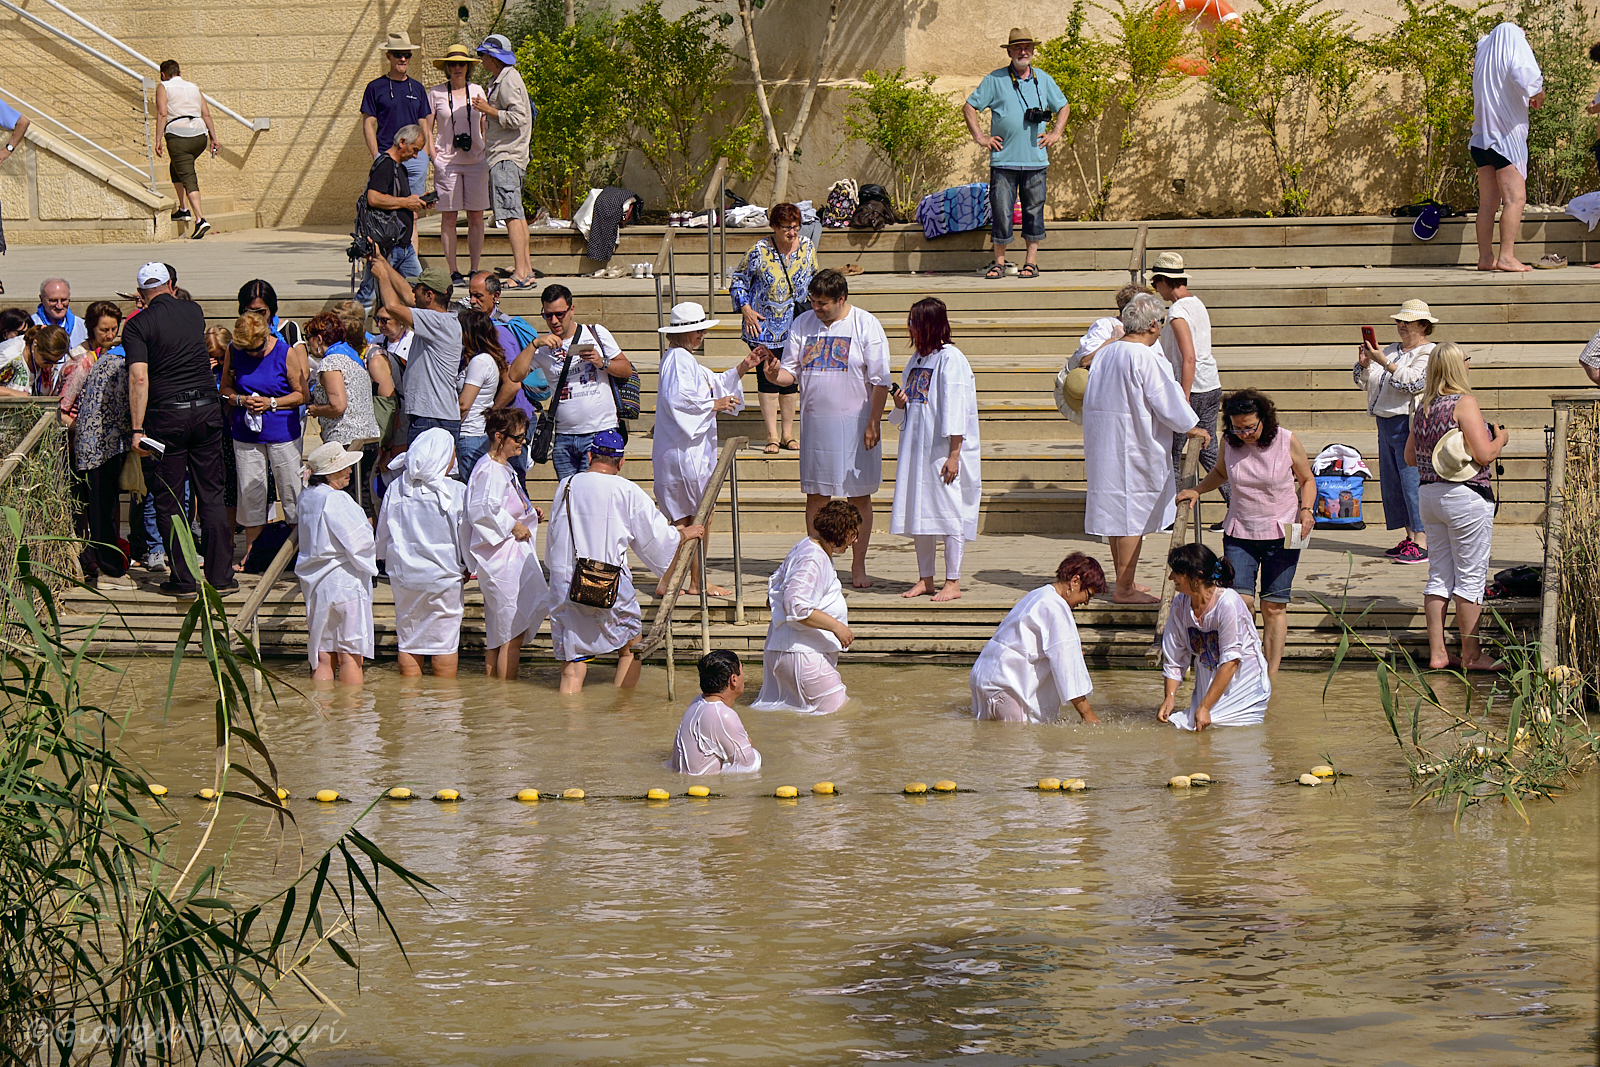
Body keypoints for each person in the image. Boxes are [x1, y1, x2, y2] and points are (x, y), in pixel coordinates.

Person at [545, 429, 703, 694]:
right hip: (605, 582)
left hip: (566, 581)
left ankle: (568, 726)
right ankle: (622, 711)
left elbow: (553, 536)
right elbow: (658, 538)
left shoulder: (567, 484)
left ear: (590, 455)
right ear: (621, 462)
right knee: (631, 647)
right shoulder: (627, 490)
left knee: (572, 663)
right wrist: (684, 533)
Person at [761, 269, 890, 588]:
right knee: (816, 497)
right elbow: (791, 374)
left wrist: (873, 421)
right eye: (813, 302)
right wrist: (775, 374)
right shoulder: (803, 323)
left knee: (859, 498)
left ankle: (858, 566)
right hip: (817, 427)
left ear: (841, 299)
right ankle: (822, 566)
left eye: (822, 304)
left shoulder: (866, 324)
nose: (816, 308)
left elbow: (880, 380)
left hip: (857, 426)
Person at [1176, 389, 1316, 679]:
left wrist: (1306, 509)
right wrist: (1198, 490)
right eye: (1238, 428)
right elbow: (1220, 472)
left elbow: (1306, 478)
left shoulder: (1286, 440)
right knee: (1241, 601)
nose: (1245, 434)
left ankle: (1271, 673)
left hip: (1283, 531)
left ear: (1264, 419)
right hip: (1241, 530)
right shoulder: (1230, 442)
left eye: (1250, 427)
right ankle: (1246, 662)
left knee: (1274, 605)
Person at [1081, 291, 1209, 603]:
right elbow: (1166, 399)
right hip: (1133, 445)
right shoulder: (1145, 357)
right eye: (1161, 323)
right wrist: (1191, 425)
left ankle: (1125, 581)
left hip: (1106, 442)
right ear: (1152, 324)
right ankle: (1124, 588)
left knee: (1118, 516)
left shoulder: (1107, 353)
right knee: (1129, 517)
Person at [124, 262, 233, 595]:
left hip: (165, 418)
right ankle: (221, 577)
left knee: (169, 500)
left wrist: (137, 429)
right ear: (171, 284)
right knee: (211, 495)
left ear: (141, 293)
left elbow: (139, 377)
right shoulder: (193, 311)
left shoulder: (137, 325)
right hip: (206, 411)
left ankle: (184, 579)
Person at [1405, 341, 1509, 672]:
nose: (1469, 365)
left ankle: (1438, 653)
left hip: (1429, 496)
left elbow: (1409, 457)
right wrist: (1501, 439)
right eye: (1467, 360)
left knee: (1439, 577)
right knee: (1470, 578)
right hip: (1464, 496)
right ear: (1456, 366)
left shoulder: (1422, 405)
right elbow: (1484, 455)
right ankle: (1472, 655)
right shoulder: (1464, 403)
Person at [651, 301, 761, 597]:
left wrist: (744, 366)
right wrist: (715, 404)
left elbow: (713, 382)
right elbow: (679, 400)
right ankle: (686, 580)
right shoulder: (677, 360)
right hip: (683, 454)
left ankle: (684, 579)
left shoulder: (682, 360)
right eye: (695, 329)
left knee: (692, 517)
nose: (700, 334)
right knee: (696, 516)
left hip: (684, 452)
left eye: (701, 328)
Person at [888, 297, 981, 601]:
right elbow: (908, 408)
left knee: (949, 512)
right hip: (917, 451)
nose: (910, 329)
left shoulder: (951, 359)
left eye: (914, 322)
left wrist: (954, 455)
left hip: (942, 451)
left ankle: (952, 581)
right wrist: (900, 403)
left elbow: (956, 410)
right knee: (921, 514)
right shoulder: (916, 359)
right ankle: (925, 578)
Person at [963, 28, 1069, 280]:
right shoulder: (995, 79)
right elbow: (969, 107)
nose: (1024, 51)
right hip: (1004, 160)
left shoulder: (1043, 79)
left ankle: (1030, 263)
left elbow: (1063, 106)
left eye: (1028, 47)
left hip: (1035, 161)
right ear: (1009, 51)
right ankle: (998, 263)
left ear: (1033, 50)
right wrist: (980, 137)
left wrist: (1055, 133)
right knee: (1001, 212)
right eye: (1018, 47)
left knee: (1034, 212)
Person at [969, 552, 1106, 723]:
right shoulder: (1057, 608)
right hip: (1007, 685)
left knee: (992, 741)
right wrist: (1088, 714)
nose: (1086, 602)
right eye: (1089, 594)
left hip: (985, 677)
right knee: (1019, 746)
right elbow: (1067, 665)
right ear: (1075, 582)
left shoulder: (1040, 594)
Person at [377, 428, 468, 678]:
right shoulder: (456, 490)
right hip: (444, 578)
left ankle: (410, 707)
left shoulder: (397, 487)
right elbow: (466, 538)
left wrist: (382, 560)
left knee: (408, 639)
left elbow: (383, 534)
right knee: (445, 641)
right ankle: (446, 707)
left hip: (405, 577)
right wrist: (470, 566)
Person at [466, 407, 549, 679]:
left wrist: (527, 513)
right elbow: (482, 509)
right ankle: (506, 694)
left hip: (507, 556)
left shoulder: (501, 468)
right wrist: (513, 525)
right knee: (512, 631)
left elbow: (500, 505)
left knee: (500, 633)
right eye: (518, 438)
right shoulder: (489, 469)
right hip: (502, 561)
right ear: (500, 437)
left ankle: (495, 692)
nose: (522, 443)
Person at [220, 310, 306, 565]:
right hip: (246, 432)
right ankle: (253, 554)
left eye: (256, 349)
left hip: (282, 431)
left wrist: (272, 403)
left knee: (291, 489)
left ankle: (297, 552)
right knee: (251, 491)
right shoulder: (235, 351)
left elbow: (301, 394)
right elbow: (224, 388)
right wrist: (239, 399)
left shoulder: (284, 352)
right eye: (247, 350)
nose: (252, 354)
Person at [729, 202, 816, 453]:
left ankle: (788, 434)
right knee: (767, 377)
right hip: (763, 325)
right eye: (787, 228)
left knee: (790, 379)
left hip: (796, 324)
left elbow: (814, 277)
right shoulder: (759, 250)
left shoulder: (808, 247)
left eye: (796, 227)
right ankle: (772, 436)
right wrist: (745, 309)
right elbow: (738, 281)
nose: (793, 233)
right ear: (775, 227)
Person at [1355, 298, 1437, 564]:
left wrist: (1384, 362)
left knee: (1412, 482)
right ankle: (1410, 536)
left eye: (1407, 321)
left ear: (1423, 325)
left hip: (1408, 423)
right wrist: (1366, 363)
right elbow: (1362, 382)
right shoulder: (1389, 350)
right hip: (1384, 421)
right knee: (1393, 484)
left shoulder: (1429, 353)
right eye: (1399, 321)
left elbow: (1413, 384)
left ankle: (1422, 540)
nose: (1401, 325)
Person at [1158, 543, 1271, 731]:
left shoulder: (1228, 604)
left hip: (1245, 692)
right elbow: (1174, 658)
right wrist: (1170, 697)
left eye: (1176, 573)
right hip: (1207, 691)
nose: (1171, 578)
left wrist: (1205, 707)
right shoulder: (1180, 605)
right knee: (1177, 731)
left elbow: (1231, 662)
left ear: (1196, 578)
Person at [526, 284, 633, 481]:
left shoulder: (595, 333)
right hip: (564, 437)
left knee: (594, 495)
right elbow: (514, 375)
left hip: (599, 432)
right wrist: (534, 344)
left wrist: (602, 362)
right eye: (548, 315)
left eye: (559, 314)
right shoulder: (543, 348)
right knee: (569, 499)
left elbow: (626, 369)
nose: (554, 321)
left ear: (571, 309)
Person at [58, 307, 132, 582]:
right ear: (91, 329)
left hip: (112, 443)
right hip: (88, 445)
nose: (110, 335)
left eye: (114, 329)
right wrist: (84, 428)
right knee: (93, 507)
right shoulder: (82, 360)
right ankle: (95, 560)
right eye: (104, 330)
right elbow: (64, 406)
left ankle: (110, 554)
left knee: (109, 505)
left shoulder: (115, 355)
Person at [296, 441, 377, 685]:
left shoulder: (306, 498)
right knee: (351, 657)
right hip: (345, 582)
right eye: (345, 468)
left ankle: (323, 716)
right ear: (330, 474)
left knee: (322, 655)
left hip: (317, 585)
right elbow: (360, 542)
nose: (351, 471)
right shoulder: (337, 499)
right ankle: (353, 719)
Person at [1470, 22, 1544, 273]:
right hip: (1504, 139)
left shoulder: (1484, 52)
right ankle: (1507, 257)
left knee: (1488, 204)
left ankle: (1486, 258)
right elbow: (1525, 73)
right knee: (1515, 199)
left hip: (1480, 139)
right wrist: (1538, 93)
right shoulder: (1511, 38)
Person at [1150, 253, 1222, 508]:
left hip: (1193, 388)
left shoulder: (1178, 311)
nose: (1155, 289)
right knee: (1208, 449)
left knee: (1172, 450)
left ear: (1164, 281)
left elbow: (1188, 356)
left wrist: (1184, 395)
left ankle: (1173, 507)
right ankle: (1235, 502)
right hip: (1210, 384)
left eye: (1155, 283)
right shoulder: (1196, 303)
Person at [371, 256, 467, 445]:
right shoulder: (439, 317)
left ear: (430, 295)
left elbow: (392, 307)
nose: (413, 292)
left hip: (433, 418)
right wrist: (383, 262)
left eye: (418, 289)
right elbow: (407, 295)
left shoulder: (438, 321)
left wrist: (382, 277)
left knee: (425, 474)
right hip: (431, 416)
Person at [473, 34, 537, 288]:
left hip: (507, 157)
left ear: (493, 57)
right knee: (516, 214)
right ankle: (526, 268)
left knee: (510, 215)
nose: (481, 60)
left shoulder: (508, 79)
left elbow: (519, 117)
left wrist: (488, 110)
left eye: (483, 55)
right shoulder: (503, 78)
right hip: (508, 156)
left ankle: (521, 273)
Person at [429, 44, 489, 286]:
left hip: (475, 160)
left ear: (468, 67)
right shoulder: (435, 93)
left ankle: (474, 269)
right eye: (452, 64)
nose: (457, 68)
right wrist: (434, 157)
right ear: (447, 67)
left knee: (476, 216)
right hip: (447, 162)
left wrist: (485, 144)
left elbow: (485, 120)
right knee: (450, 218)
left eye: (461, 64)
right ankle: (453, 270)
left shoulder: (477, 90)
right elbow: (426, 126)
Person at [361, 31, 433, 231]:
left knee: (414, 212)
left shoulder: (417, 88)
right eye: (398, 54)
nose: (403, 58)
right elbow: (368, 124)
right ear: (388, 56)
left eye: (407, 54)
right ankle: (387, 258)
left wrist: (426, 154)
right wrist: (377, 155)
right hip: (389, 158)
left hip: (415, 158)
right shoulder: (375, 87)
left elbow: (424, 123)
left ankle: (410, 257)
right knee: (385, 209)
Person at [354, 125, 431, 307]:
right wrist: (406, 203)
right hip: (388, 247)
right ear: (402, 142)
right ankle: (344, 332)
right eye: (414, 150)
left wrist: (418, 201)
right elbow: (373, 198)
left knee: (420, 293)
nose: (415, 156)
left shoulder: (400, 168)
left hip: (404, 247)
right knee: (367, 296)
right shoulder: (386, 165)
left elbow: (397, 199)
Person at [669, 650, 762, 775]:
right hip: (704, 790)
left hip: (687, 785)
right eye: (742, 670)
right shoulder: (722, 714)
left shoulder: (698, 701)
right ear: (733, 680)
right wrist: (749, 744)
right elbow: (749, 766)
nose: (744, 675)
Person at [154, 60, 218, 238]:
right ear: (180, 72)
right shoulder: (193, 87)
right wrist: (214, 138)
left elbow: (162, 113)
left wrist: (158, 138)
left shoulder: (163, 87)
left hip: (178, 135)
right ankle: (183, 209)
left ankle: (200, 219)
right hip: (199, 135)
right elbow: (206, 113)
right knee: (176, 168)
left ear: (163, 74)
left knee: (187, 175)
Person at [305, 311, 379, 447]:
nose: (308, 343)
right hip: (369, 438)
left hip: (346, 441)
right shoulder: (353, 357)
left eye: (308, 337)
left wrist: (316, 409)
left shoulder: (331, 363)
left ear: (319, 339)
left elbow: (338, 406)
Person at [455, 309, 508, 478]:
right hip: (475, 435)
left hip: (470, 435)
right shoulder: (480, 360)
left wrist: (448, 429)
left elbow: (464, 405)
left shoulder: (480, 362)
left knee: (470, 487)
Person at [32, 278, 88, 349]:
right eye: (53, 301)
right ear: (41, 299)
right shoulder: (31, 324)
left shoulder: (82, 327)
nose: (59, 306)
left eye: (64, 300)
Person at [24, 325, 70, 396]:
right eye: (47, 360)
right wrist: (12, 393)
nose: (50, 366)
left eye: (56, 361)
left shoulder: (52, 365)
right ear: (35, 344)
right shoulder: (8, 354)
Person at [0, 308, 32, 396]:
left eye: (28, 332)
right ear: (4, 333)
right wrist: (11, 393)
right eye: (19, 333)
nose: (24, 338)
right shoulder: (5, 353)